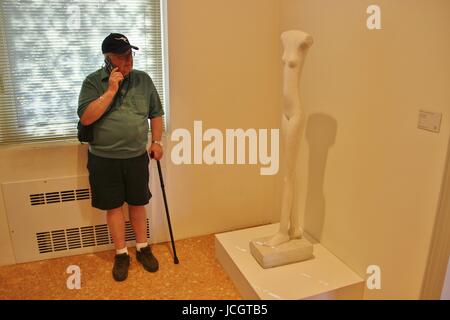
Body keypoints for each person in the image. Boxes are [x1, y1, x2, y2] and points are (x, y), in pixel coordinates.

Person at [78, 33, 164, 281]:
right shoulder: (93, 82)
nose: (128, 60)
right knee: (113, 206)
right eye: (122, 56)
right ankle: (121, 253)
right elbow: (86, 117)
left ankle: (142, 247)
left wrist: (157, 141)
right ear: (108, 59)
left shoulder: (143, 80)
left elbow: (155, 113)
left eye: (130, 54)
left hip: (136, 156)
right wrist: (111, 90)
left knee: (138, 203)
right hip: (103, 158)